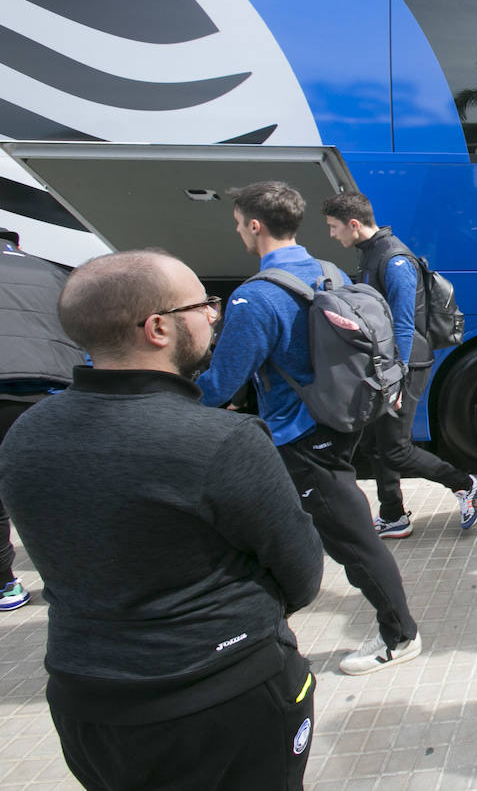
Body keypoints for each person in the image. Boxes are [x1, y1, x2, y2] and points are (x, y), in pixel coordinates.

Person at [0, 250, 323, 789]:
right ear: (157, 328)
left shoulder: (26, 434)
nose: (214, 317)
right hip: (222, 698)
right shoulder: (222, 441)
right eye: (203, 305)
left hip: (85, 703)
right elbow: (303, 574)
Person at [197, 181, 422, 676]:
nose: (238, 231)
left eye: (238, 224)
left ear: (255, 226)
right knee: (277, 531)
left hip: (300, 437)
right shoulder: (329, 270)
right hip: (339, 418)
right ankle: (258, 626)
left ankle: (400, 635)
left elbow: (219, 385)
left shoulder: (254, 298)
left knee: (354, 540)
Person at [321, 192, 477, 539]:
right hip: (386, 365)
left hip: (405, 365)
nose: (332, 235)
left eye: (334, 228)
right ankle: (393, 514)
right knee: (375, 444)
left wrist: (396, 379)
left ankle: (465, 483)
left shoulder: (394, 259)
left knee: (395, 448)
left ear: (354, 224)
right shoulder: (371, 254)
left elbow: (403, 324)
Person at [0, 227, 85, 613]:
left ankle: (5, 585)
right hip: (48, 393)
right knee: (58, 492)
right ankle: (75, 579)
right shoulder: (50, 272)